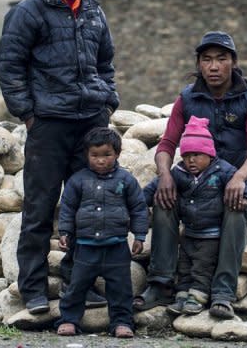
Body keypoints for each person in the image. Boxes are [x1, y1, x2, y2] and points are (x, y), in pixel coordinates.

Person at [0, 0, 119, 314]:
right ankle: (32, 288)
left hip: (90, 123)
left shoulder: (94, 12)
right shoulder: (29, 11)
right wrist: (28, 113)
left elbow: (106, 63)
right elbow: (9, 64)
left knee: (88, 204)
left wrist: (107, 100)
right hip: (48, 123)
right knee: (40, 206)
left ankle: (78, 282)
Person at [133, 30, 247, 319]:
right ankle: (161, 284)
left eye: (221, 59)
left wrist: (240, 178)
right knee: (164, 198)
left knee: (236, 208)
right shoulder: (187, 99)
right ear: (199, 64)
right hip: (193, 176)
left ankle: (222, 292)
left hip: (233, 177)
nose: (214, 66)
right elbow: (168, 143)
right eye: (207, 60)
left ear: (233, 62)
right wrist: (165, 175)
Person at [144, 115, 247, 316]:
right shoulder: (179, 172)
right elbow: (153, 188)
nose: (191, 160)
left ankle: (199, 297)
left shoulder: (222, 170)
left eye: (197, 155)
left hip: (211, 235)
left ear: (210, 155)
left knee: (202, 268)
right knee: (185, 266)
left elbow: (244, 183)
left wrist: (246, 196)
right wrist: (137, 205)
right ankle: (180, 295)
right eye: (187, 155)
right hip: (189, 233)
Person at [55, 127, 149, 338]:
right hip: (85, 247)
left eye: (106, 155)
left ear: (117, 154)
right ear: (86, 155)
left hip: (116, 247)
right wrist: (64, 232)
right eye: (94, 155)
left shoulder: (126, 180)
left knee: (121, 289)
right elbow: (68, 208)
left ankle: (122, 322)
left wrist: (140, 235)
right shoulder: (77, 180)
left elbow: (139, 208)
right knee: (77, 286)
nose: (100, 161)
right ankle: (69, 320)